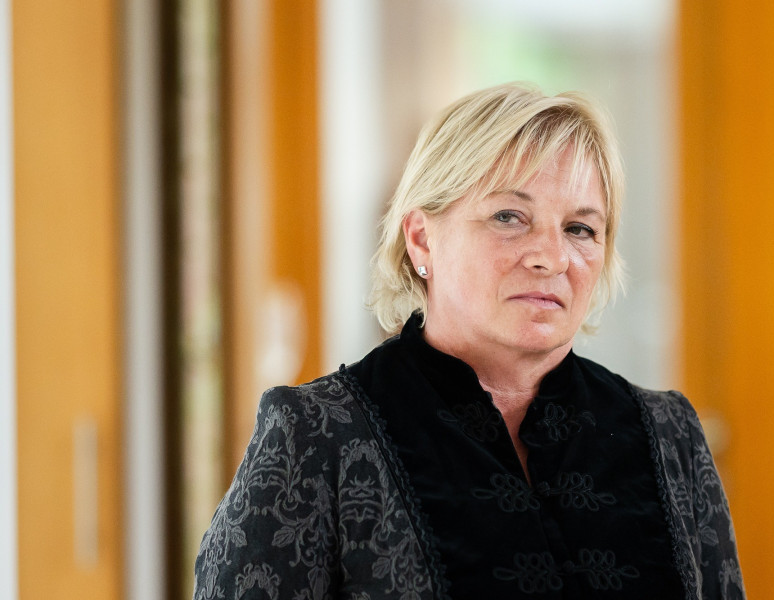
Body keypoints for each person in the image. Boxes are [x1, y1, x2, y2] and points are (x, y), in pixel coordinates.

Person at [193, 83, 745, 599]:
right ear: (421, 239)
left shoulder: (669, 434)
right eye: (509, 217)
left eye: (580, 228)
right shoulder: (316, 435)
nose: (551, 257)